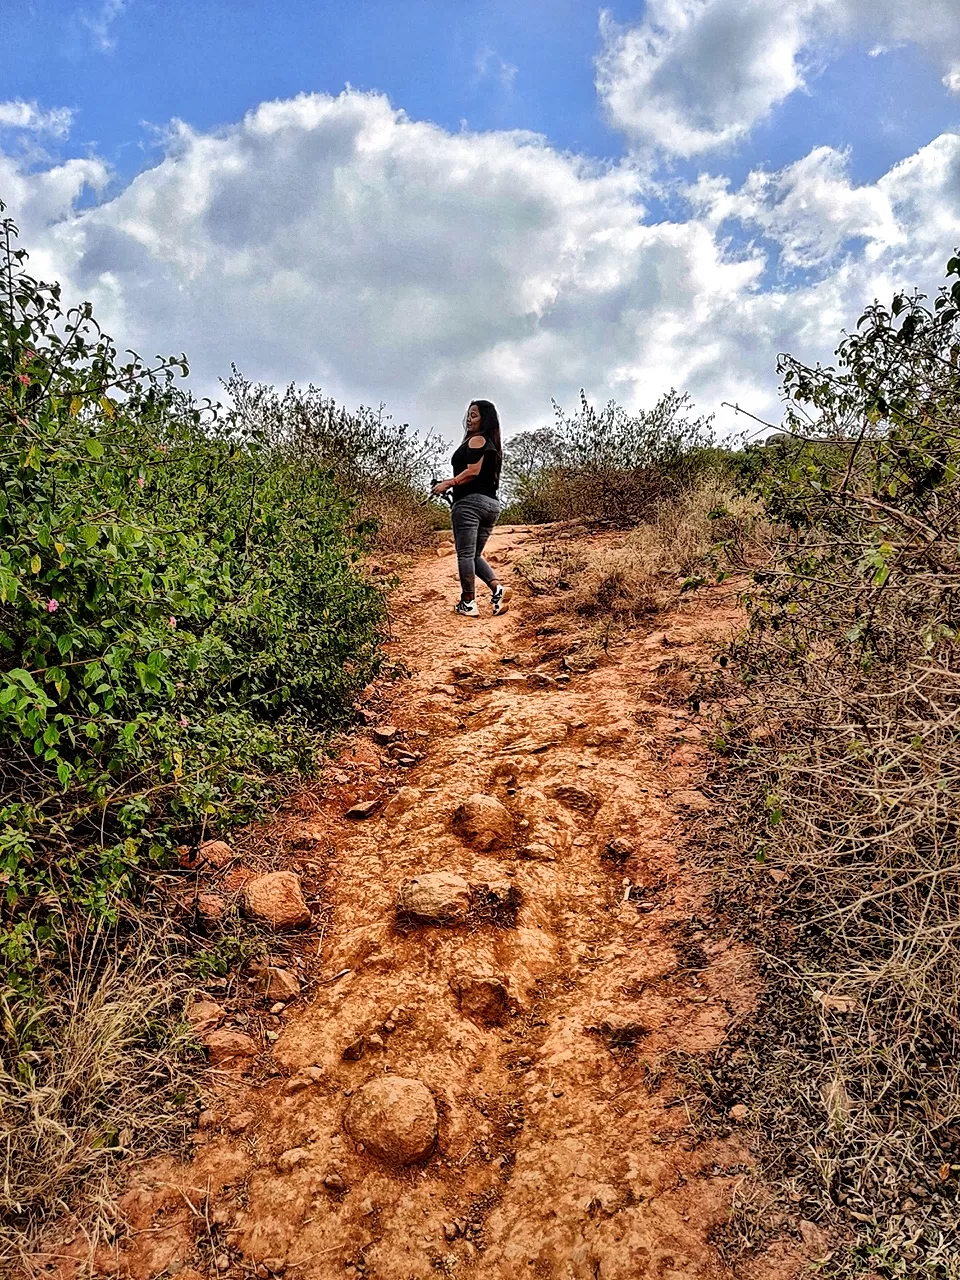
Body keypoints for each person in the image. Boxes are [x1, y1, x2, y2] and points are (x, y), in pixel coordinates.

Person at [431, 399, 513, 617]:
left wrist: (448, 483)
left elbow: (473, 471)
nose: (469, 418)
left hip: (469, 504)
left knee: (465, 554)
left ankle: (468, 602)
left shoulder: (477, 440)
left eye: (474, 415)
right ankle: (498, 589)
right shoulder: (492, 444)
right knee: (474, 554)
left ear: (485, 419)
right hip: (491, 505)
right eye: (468, 414)